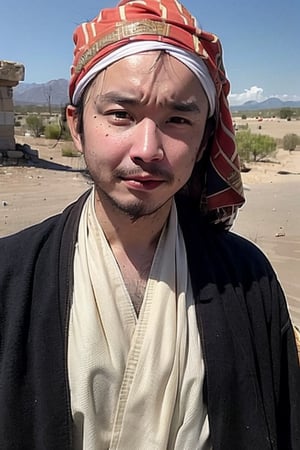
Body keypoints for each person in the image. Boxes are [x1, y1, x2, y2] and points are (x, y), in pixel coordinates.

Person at [0, 0, 299, 448]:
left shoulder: (248, 281)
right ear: (77, 126)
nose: (148, 148)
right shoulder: (8, 277)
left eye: (178, 119)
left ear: (203, 141)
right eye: (121, 114)